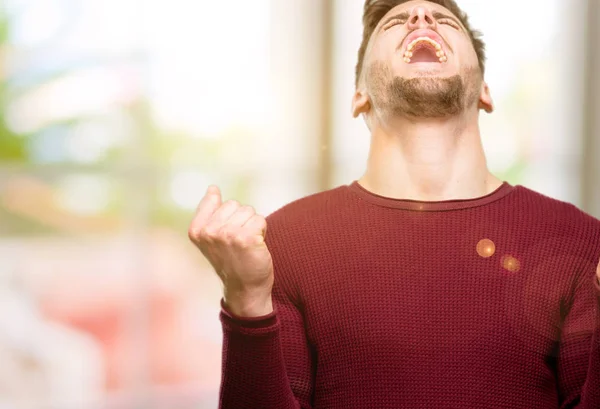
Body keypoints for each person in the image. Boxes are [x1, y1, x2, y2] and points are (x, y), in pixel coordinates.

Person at [189, 0, 600, 407]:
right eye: (394, 23)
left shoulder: (581, 241)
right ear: (359, 96)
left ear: (486, 92)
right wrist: (246, 303)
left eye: (443, 20)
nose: (421, 18)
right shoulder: (284, 245)